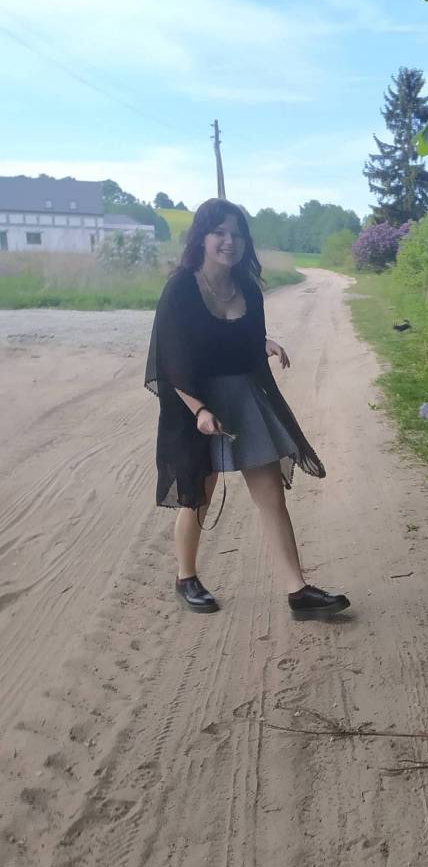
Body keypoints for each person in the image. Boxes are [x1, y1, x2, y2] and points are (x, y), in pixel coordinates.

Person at [144, 198, 349, 619]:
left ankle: (298, 592)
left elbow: (237, 338)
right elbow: (172, 358)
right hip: (195, 403)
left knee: (271, 493)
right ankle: (186, 577)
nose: (229, 241)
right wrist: (199, 410)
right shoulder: (181, 288)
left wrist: (263, 343)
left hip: (245, 399)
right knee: (199, 494)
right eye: (219, 232)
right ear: (201, 237)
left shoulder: (249, 291)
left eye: (237, 234)